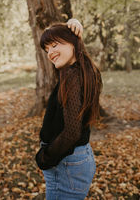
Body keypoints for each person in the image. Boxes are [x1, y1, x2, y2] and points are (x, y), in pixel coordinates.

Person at [35, 19, 102, 200]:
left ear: (74, 42)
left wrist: (45, 157)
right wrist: (71, 23)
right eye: (47, 49)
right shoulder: (83, 71)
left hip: (65, 162)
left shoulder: (72, 77)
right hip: (74, 159)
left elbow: (72, 132)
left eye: (55, 45)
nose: (50, 52)